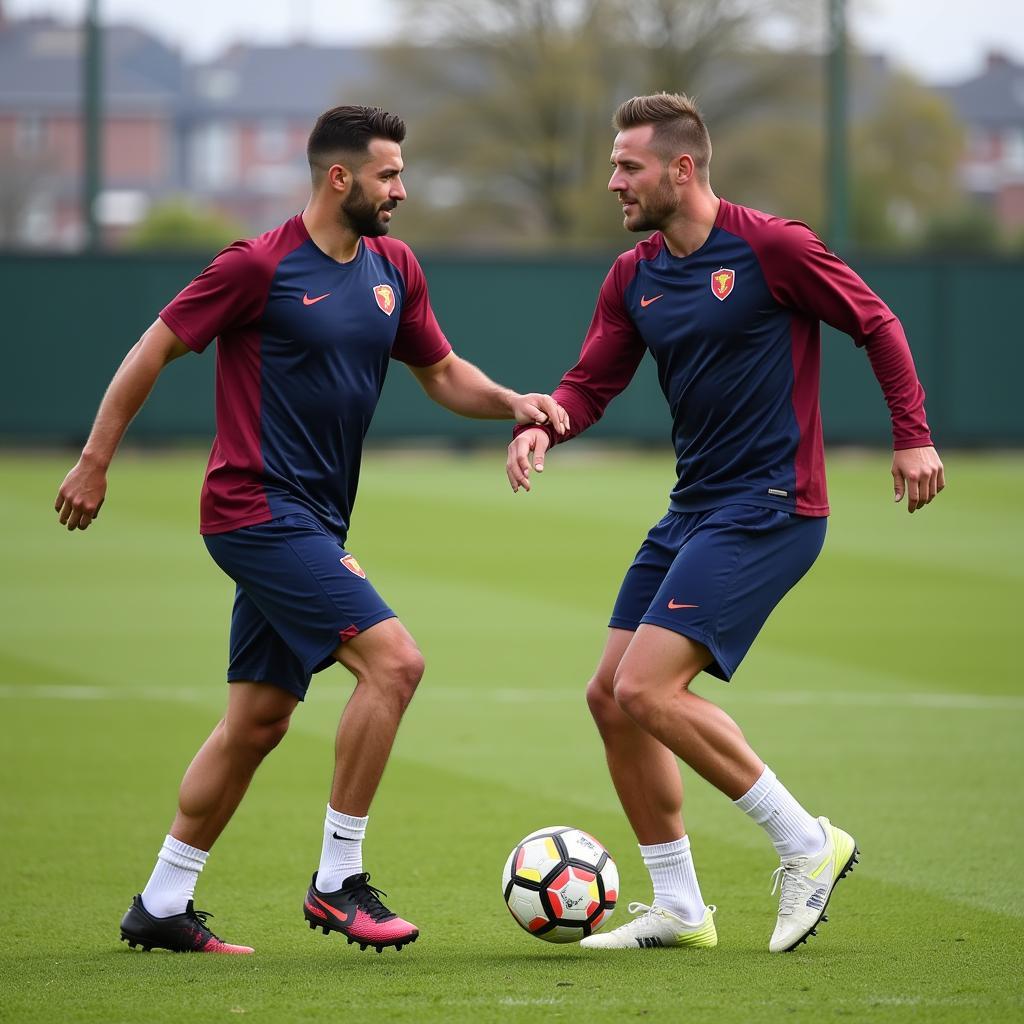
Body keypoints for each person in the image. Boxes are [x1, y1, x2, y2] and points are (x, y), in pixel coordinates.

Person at [55, 104, 567, 956]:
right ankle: (338, 883)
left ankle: (161, 901)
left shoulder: (393, 266)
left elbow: (439, 371)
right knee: (396, 662)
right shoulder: (257, 266)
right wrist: (95, 459)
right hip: (253, 509)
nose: (401, 189)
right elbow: (152, 349)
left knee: (257, 722)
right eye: (388, 175)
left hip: (315, 518)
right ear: (340, 178)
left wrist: (510, 401)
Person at [506, 93, 944, 953]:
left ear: (682, 168)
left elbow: (876, 323)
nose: (612, 182)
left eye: (627, 166)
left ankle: (808, 846)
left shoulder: (772, 246)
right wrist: (542, 421)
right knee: (611, 698)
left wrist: (913, 436)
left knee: (647, 689)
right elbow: (590, 384)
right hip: (694, 508)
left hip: (773, 507)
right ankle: (679, 906)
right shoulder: (632, 276)